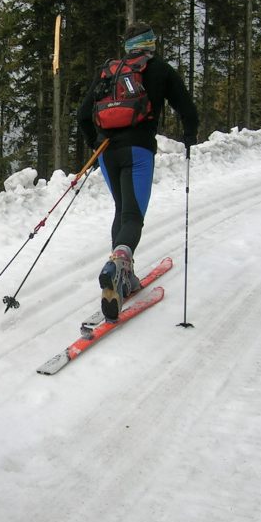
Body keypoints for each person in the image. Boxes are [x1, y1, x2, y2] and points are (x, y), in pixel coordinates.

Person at [76, 20, 199, 320]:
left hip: (107, 153)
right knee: (133, 215)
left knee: (122, 209)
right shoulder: (159, 69)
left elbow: (82, 115)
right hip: (138, 152)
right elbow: (187, 109)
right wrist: (189, 136)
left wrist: (96, 144)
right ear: (150, 43)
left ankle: (122, 277)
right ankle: (119, 263)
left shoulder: (110, 70)